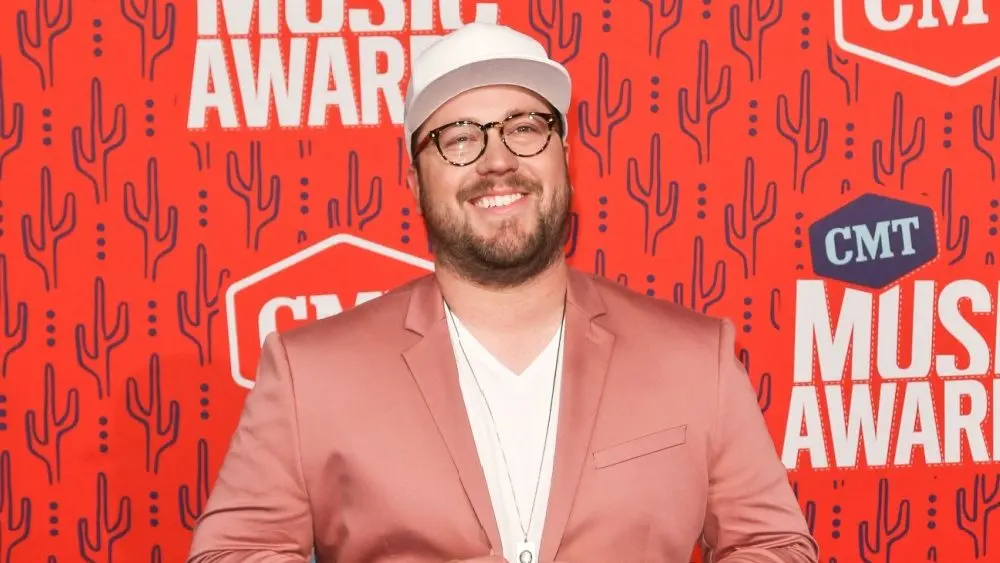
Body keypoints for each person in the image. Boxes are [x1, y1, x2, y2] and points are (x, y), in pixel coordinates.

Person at [186, 22, 819, 563]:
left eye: (525, 128)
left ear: (564, 156)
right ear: (414, 180)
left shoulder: (695, 357)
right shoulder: (310, 373)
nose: (497, 161)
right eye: (460, 138)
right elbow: (230, 551)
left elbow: (776, 545)